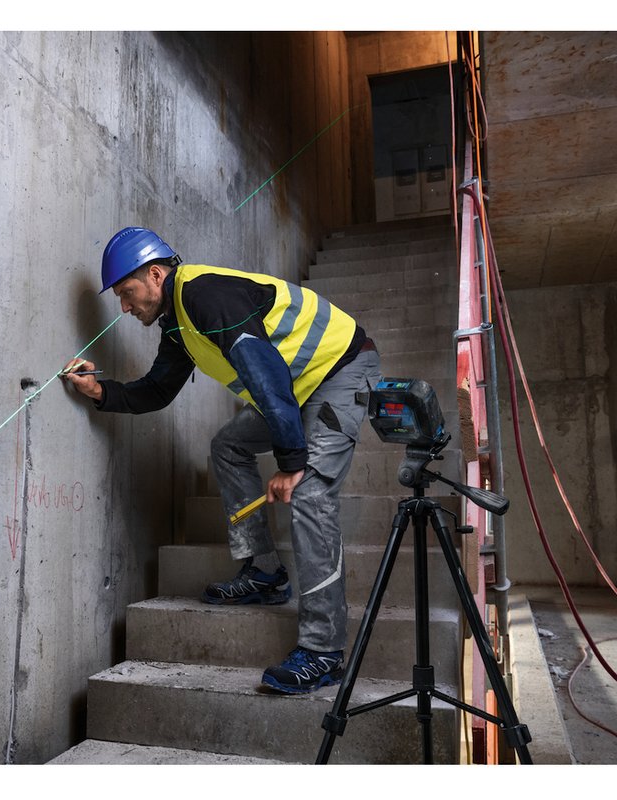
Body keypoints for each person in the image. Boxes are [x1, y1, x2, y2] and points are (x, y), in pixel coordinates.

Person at [63, 226, 381, 694]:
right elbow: (157, 390)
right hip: (297, 389)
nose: (125, 308)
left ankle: (323, 651)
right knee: (228, 446)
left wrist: (292, 462)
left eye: (127, 294)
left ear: (155, 275)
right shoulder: (178, 324)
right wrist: (101, 393)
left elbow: (266, 373)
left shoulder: (206, 295)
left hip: (341, 370)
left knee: (311, 493)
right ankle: (266, 573)